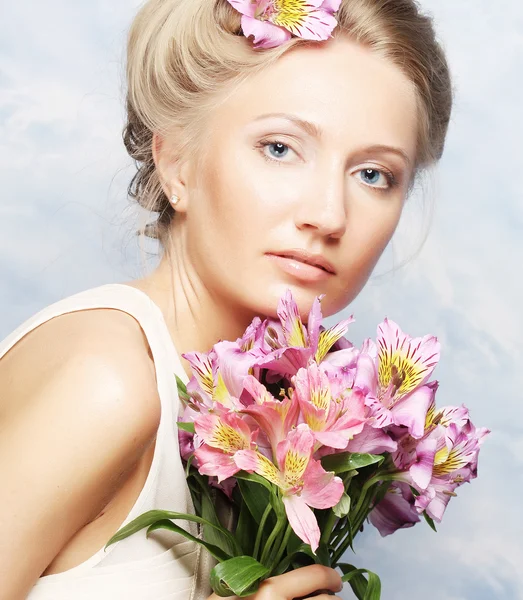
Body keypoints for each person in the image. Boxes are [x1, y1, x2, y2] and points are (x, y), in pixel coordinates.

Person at [0, 0, 453, 598]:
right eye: (280, 148)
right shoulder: (108, 380)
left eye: (373, 174)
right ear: (177, 162)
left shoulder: (277, 425)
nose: (328, 215)